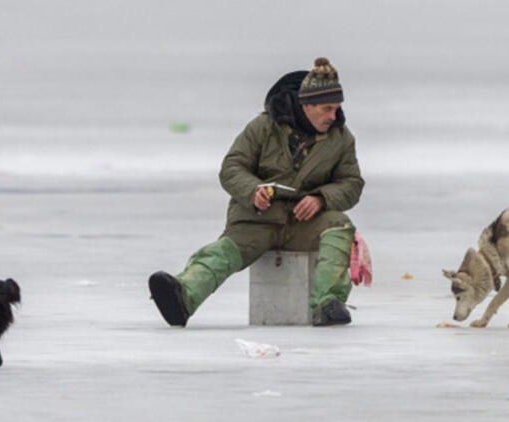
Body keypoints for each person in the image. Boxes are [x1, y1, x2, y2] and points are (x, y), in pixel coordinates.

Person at [148, 57, 365, 327]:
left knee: (339, 226)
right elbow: (231, 168)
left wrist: (321, 198)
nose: (334, 116)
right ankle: (183, 296)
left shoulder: (341, 138)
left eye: (337, 109)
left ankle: (329, 304)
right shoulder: (263, 127)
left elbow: (352, 183)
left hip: (304, 224)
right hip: (257, 219)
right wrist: (254, 191)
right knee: (222, 254)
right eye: (327, 109)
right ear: (306, 106)